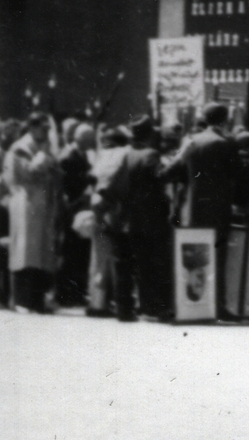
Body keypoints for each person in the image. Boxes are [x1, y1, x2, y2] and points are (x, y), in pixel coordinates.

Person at [162, 102, 244, 320]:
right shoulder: (227, 143)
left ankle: (188, 305)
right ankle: (218, 306)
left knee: (190, 258)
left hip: (192, 210)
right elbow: (238, 174)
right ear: (226, 120)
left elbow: (169, 173)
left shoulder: (191, 142)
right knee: (217, 257)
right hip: (218, 209)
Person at [97, 117, 172, 322]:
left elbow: (112, 186)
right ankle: (151, 308)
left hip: (126, 219)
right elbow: (160, 177)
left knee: (125, 267)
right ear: (149, 134)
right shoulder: (151, 154)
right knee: (148, 266)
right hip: (148, 221)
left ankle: (124, 309)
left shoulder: (127, 155)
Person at [3, 116, 61, 313]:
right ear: (33, 127)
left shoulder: (43, 146)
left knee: (42, 254)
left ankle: (38, 300)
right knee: (25, 252)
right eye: (43, 128)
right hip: (25, 203)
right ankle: (22, 300)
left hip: (42, 204)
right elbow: (27, 173)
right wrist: (45, 158)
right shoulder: (20, 149)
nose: (46, 133)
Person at [86, 127, 128, 317]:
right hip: (114, 209)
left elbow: (92, 181)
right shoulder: (123, 154)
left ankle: (97, 302)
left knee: (99, 258)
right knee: (115, 258)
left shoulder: (100, 157)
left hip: (97, 208)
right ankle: (110, 302)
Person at [57, 123, 97, 308]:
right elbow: (66, 186)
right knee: (71, 253)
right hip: (72, 209)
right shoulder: (68, 157)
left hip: (79, 207)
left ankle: (76, 293)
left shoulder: (80, 155)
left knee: (79, 252)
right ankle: (66, 293)